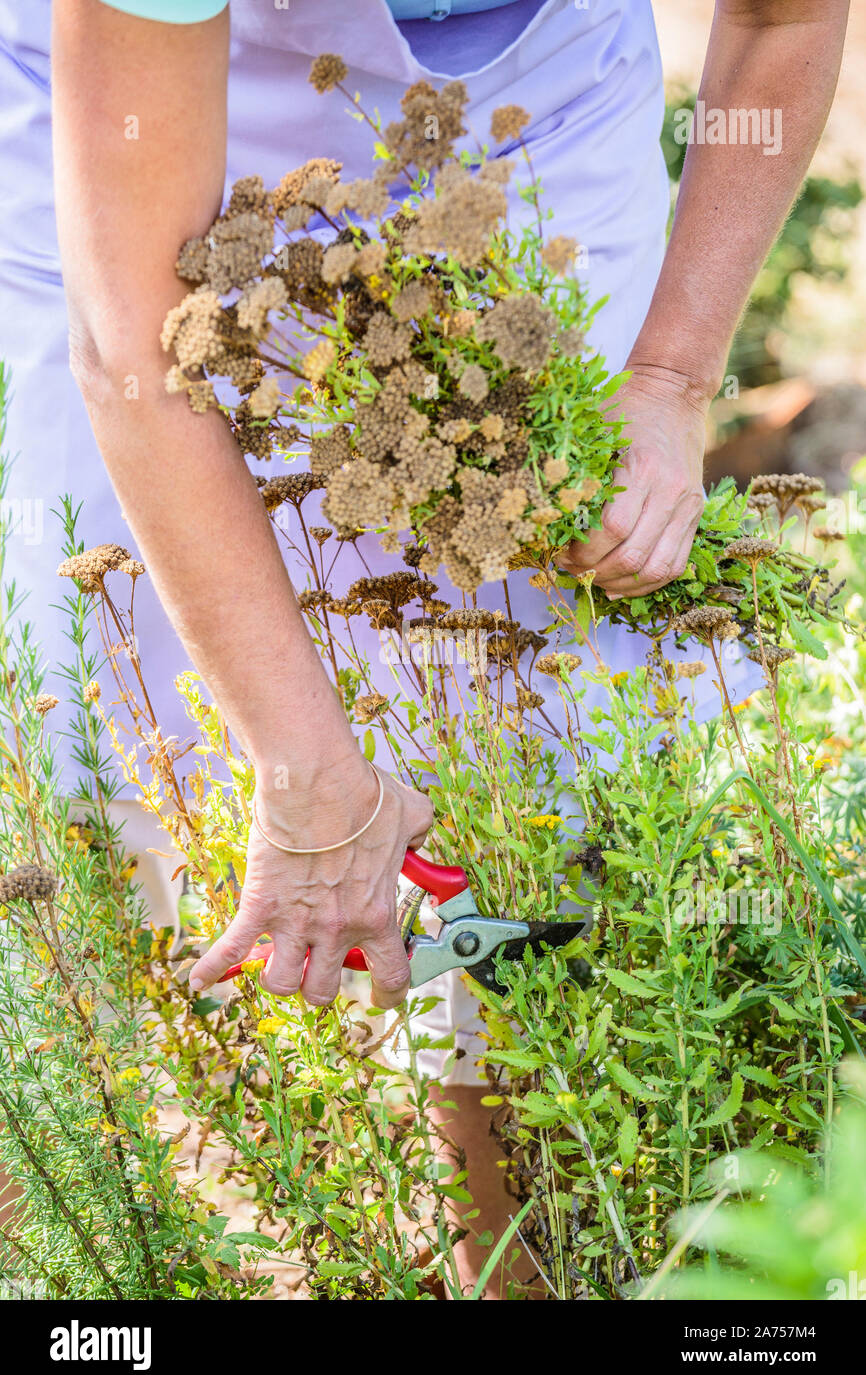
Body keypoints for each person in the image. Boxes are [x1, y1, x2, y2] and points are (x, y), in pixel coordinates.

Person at [0, 0, 849, 1296]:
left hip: (528, 102)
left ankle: (500, 1263)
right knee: (105, 686)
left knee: (533, 722)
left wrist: (671, 384)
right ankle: (119, 1246)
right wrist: (304, 771)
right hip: (128, 120)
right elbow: (134, 360)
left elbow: (784, 21)